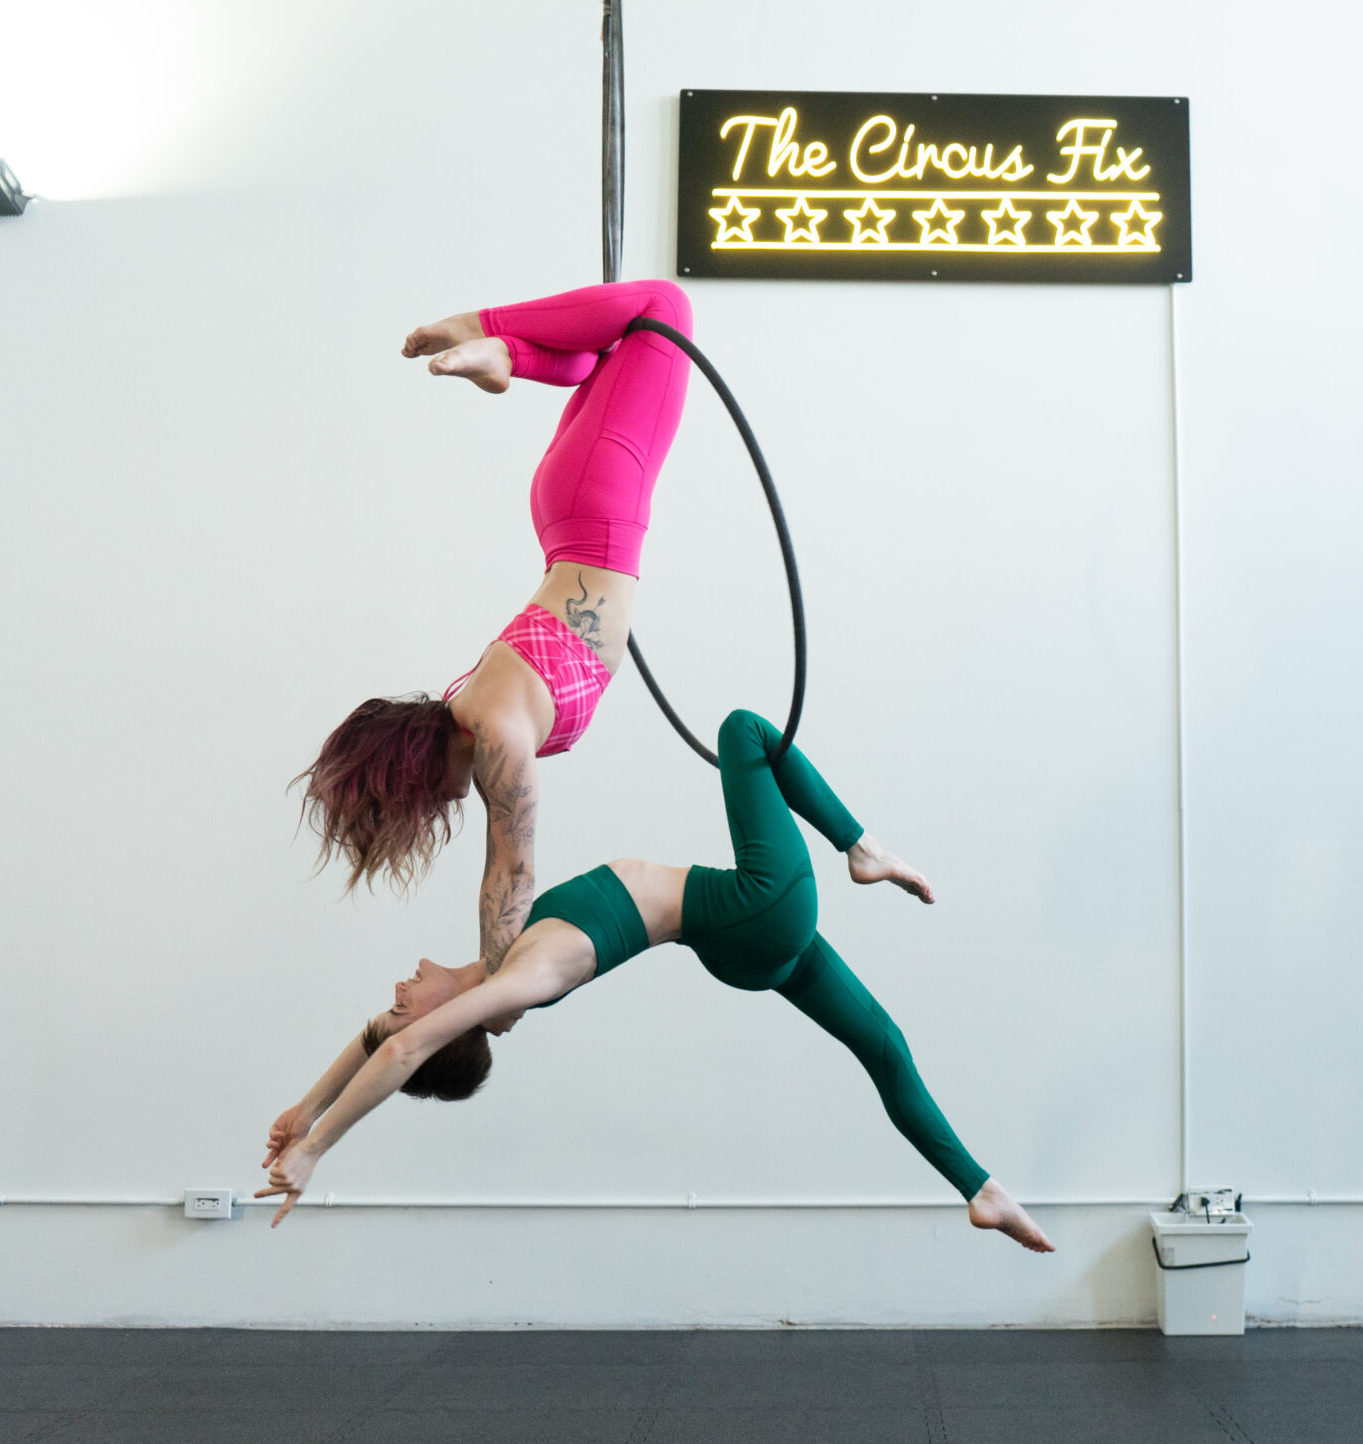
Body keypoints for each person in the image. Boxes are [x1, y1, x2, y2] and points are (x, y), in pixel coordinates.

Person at [261, 710, 1056, 1253]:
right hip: (753, 907)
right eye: (406, 1007)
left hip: (743, 948)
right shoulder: (522, 979)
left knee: (884, 1048)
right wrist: (318, 1153)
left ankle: (979, 1188)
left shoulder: (495, 971)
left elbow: (383, 1044)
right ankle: (863, 848)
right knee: (744, 731)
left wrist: (303, 1111)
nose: (400, 990)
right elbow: (400, 1054)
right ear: (442, 1027)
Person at [297, 280, 693, 969]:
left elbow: (512, 869)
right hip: (572, 508)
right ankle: (509, 355)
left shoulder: (496, 732)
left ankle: (479, 327)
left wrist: (488, 986)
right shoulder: (472, 709)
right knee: (607, 353)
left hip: (598, 502)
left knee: (665, 310)